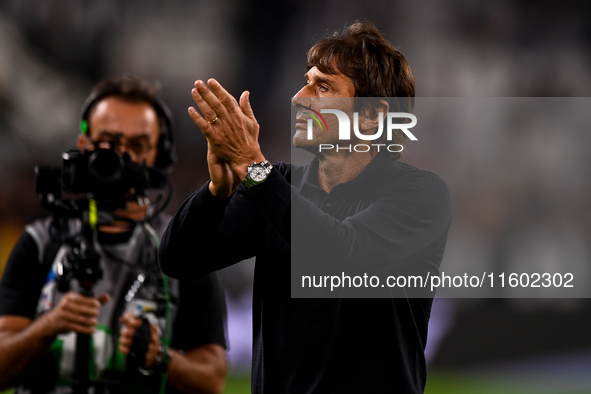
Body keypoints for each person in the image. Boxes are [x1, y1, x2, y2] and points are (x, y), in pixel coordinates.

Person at [159, 21, 452, 393]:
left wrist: (253, 168)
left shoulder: (419, 193)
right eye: (306, 81)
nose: (300, 96)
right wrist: (216, 191)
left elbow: (342, 253)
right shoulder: (277, 184)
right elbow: (177, 259)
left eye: (323, 86)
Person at [0, 76, 227, 394]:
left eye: (137, 146)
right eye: (108, 143)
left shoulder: (183, 247)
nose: (122, 159)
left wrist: (160, 357)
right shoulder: (41, 242)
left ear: (158, 156)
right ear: (84, 146)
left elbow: (213, 379)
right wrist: (47, 327)